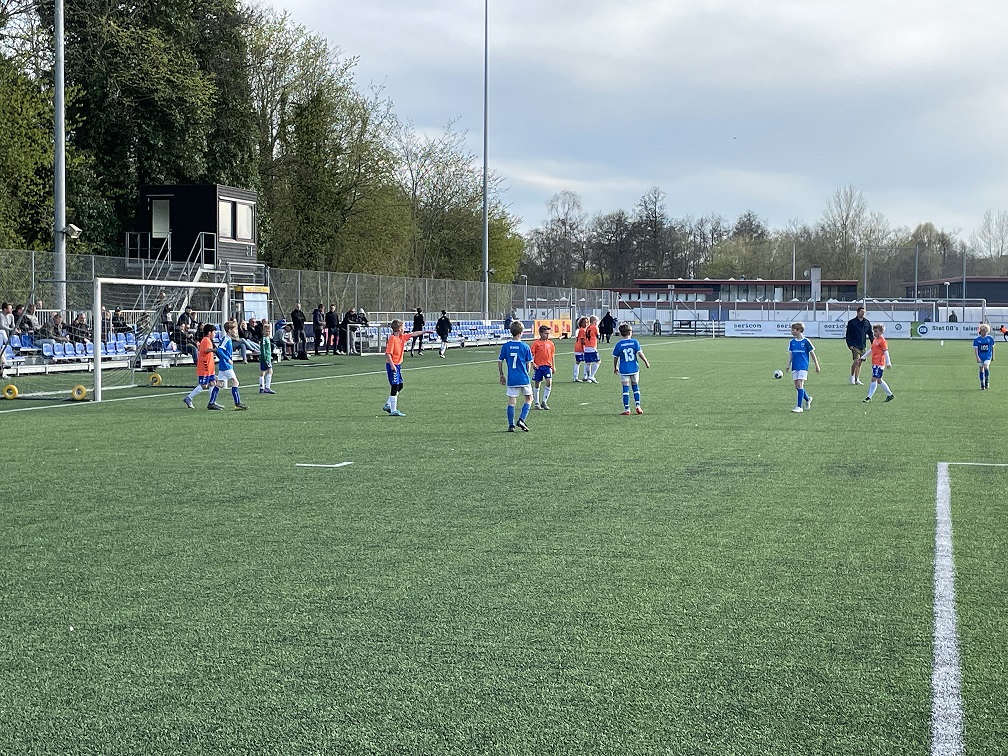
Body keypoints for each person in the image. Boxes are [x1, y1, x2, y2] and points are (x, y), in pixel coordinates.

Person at [382, 319, 432, 417]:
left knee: (400, 385)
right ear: (399, 329)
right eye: (403, 327)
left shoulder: (401, 337)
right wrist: (392, 365)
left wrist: (425, 331)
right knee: (395, 386)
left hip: (397, 365)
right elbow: (388, 353)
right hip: (393, 365)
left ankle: (388, 404)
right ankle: (393, 410)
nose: (404, 329)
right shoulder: (392, 338)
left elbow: (414, 334)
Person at [498, 320, 534, 432]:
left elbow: (500, 361)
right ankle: (521, 419)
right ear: (521, 333)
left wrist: (501, 375)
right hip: (523, 378)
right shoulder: (525, 347)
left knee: (511, 402)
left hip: (512, 378)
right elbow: (528, 363)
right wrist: (527, 373)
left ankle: (511, 425)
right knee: (529, 398)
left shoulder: (506, 346)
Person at [613, 323, 651, 415]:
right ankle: (638, 406)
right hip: (634, 368)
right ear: (630, 332)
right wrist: (646, 362)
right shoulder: (634, 342)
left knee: (625, 389)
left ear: (621, 333)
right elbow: (640, 353)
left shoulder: (619, 344)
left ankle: (627, 409)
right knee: (635, 386)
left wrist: (615, 367)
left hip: (624, 369)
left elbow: (615, 357)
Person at [184, 324, 224, 410]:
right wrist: (216, 350)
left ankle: (212, 402)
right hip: (204, 366)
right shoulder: (205, 340)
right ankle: (189, 398)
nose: (214, 334)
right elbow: (206, 350)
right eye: (214, 332)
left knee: (212, 383)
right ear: (209, 332)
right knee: (204, 385)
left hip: (209, 367)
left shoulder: (208, 340)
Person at [783, 321, 821, 413]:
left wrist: (817, 365)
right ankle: (808, 399)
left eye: (793, 330)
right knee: (797, 386)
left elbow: (812, 354)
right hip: (795, 366)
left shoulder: (806, 341)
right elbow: (791, 354)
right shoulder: (792, 342)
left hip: (803, 366)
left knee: (800, 384)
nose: (792, 332)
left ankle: (799, 406)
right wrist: (788, 365)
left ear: (799, 330)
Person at [214, 321, 248, 410]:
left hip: (224, 365)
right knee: (236, 382)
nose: (236, 331)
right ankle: (237, 403)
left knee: (219, 383)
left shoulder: (228, 339)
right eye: (235, 329)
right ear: (229, 330)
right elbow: (219, 350)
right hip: (226, 365)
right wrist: (227, 359)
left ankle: (211, 402)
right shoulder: (226, 339)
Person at [861, 323, 893, 402]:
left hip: (879, 363)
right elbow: (871, 350)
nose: (874, 333)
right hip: (874, 362)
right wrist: (862, 357)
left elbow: (886, 352)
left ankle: (869, 397)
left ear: (881, 332)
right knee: (879, 380)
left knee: (874, 379)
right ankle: (890, 395)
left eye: (876, 331)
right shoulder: (875, 340)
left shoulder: (882, 341)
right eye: (874, 331)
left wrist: (888, 362)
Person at [845, 306, 872, 385]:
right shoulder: (852, 322)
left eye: (864, 312)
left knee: (860, 362)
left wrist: (873, 342)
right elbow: (848, 335)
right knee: (856, 361)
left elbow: (870, 333)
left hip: (862, 345)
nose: (863, 313)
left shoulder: (866, 322)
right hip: (854, 345)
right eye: (861, 312)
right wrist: (849, 344)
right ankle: (852, 377)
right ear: (858, 312)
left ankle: (857, 379)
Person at [530, 324, 556, 410]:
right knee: (537, 384)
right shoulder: (536, 343)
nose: (547, 335)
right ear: (541, 333)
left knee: (549, 382)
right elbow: (531, 355)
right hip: (538, 367)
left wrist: (553, 366)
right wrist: (533, 364)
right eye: (546, 333)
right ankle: (537, 403)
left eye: (548, 333)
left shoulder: (551, 343)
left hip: (547, 366)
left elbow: (552, 355)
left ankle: (544, 401)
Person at [973, 323, 995, 390]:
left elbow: (992, 347)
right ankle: (982, 383)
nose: (984, 333)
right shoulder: (977, 340)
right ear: (980, 331)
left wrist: (993, 356)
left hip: (987, 356)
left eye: (985, 331)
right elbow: (976, 349)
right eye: (983, 331)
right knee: (981, 369)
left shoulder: (990, 338)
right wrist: (977, 357)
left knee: (985, 366)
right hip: (980, 357)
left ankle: (987, 381)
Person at [582, 315, 602, 383]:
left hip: (587, 346)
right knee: (598, 361)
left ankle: (588, 376)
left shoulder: (588, 327)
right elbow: (598, 336)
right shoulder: (594, 327)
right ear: (594, 321)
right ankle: (592, 376)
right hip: (592, 346)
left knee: (588, 362)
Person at [258, 320, 276, 394]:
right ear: (263, 331)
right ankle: (267, 387)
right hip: (265, 358)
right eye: (266, 331)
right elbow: (263, 350)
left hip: (267, 358)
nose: (268, 333)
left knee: (263, 372)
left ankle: (262, 388)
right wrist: (265, 358)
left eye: (269, 331)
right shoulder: (264, 339)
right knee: (269, 371)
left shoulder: (268, 338)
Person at [572, 316, 588, 382]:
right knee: (583, 362)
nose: (586, 324)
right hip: (581, 348)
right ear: (581, 323)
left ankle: (578, 377)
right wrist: (588, 344)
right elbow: (582, 340)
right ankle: (582, 376)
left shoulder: (583, 330)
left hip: (579, 347)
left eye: (587, 322)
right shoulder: (582, 330)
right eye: (584, 322)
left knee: (583, 362)